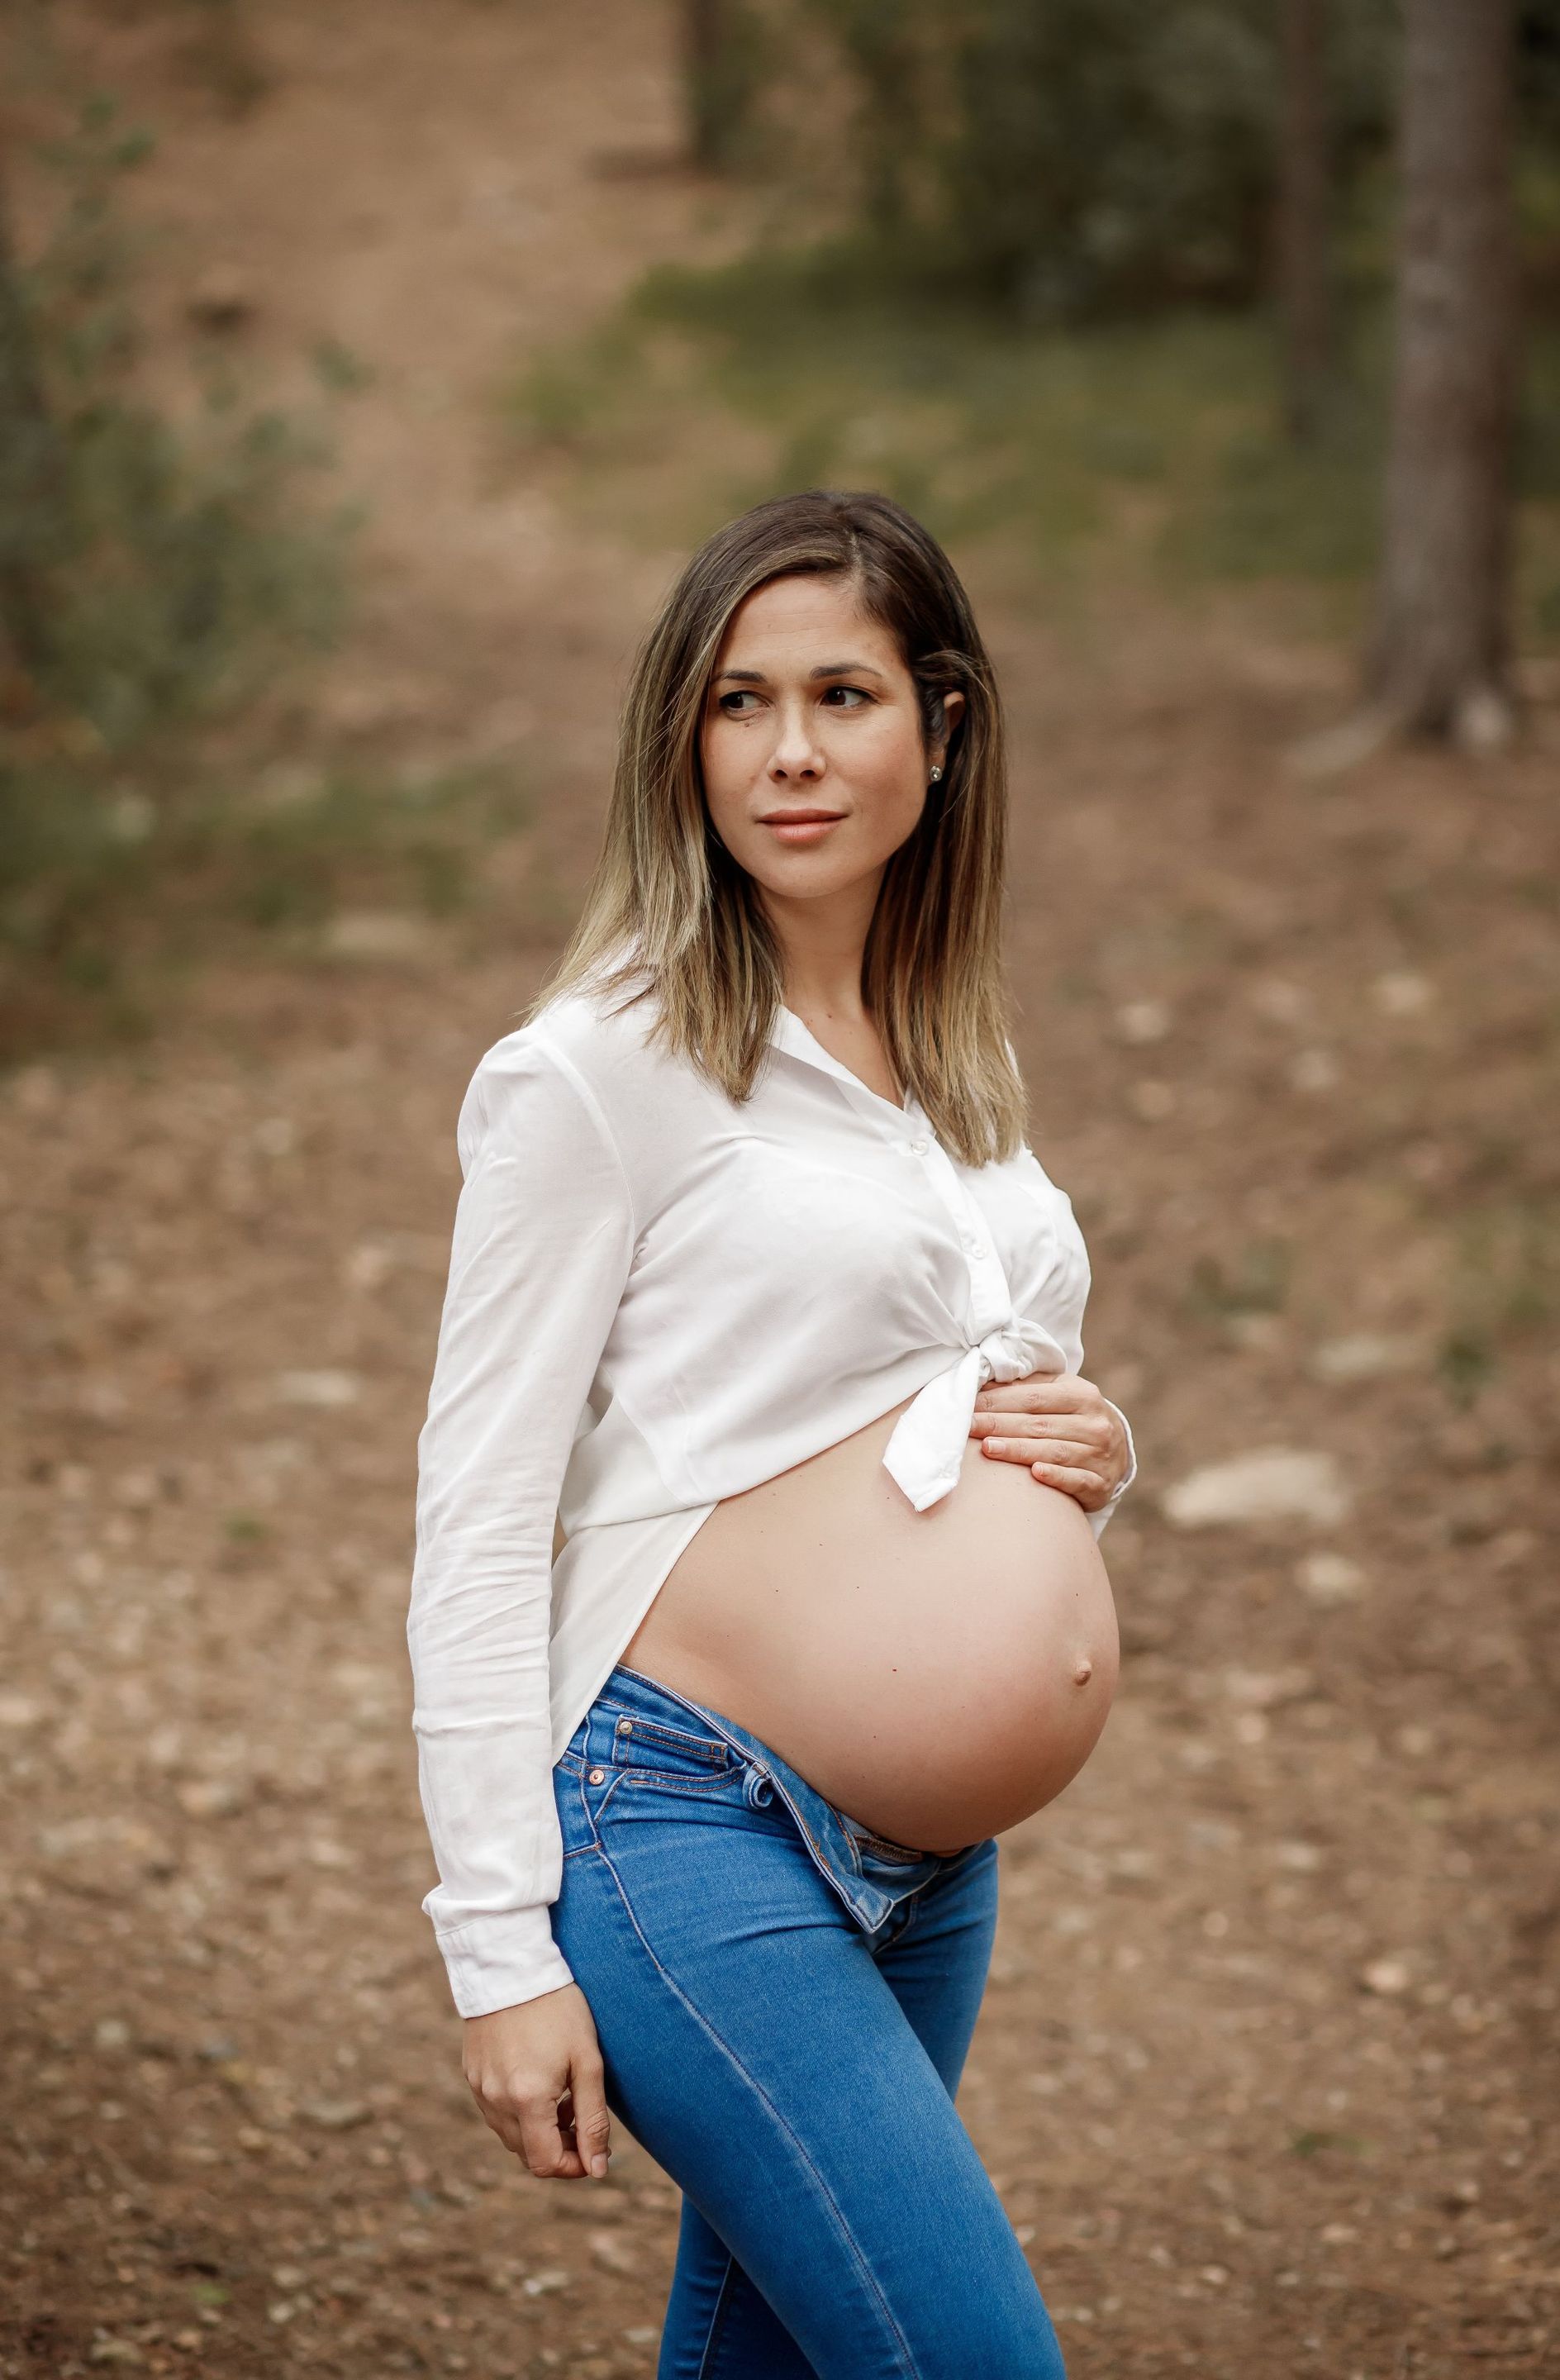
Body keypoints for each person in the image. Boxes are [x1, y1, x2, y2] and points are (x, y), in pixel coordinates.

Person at [407, 488, 1139, 2378]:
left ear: (943, 727)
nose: (793, 752)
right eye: (740, 703)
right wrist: (499, 1954)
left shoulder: (942, 1056)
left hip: (926, 1859)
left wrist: (1079, 1458)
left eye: (844, 694)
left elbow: (952, 1382)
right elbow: (478, 1517)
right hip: (683, 1817)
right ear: (684, 739)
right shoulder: (600, 1069)